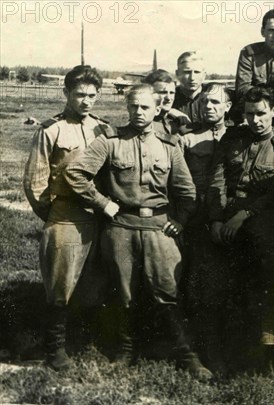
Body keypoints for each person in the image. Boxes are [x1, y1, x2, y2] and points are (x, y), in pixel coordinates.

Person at [63, 84, 212, 381]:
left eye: (145, 107)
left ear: (158, 109)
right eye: (133, 106)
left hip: (160, 230)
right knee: (123, 291)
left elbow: (187, 192)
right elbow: (75, 174)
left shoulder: (170, 146)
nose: (138, 112)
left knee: (167, 292)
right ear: (127, 108)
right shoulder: (110, 141)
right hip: (121, 228)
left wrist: (180, 221)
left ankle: (187, 355)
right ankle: (125, 351)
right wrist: (102, 203)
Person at [22, 65, 111, 371]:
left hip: (97, 216)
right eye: (80, 94)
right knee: (60, 284)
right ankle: (54, 349)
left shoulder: (104, 129)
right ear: (67, 93)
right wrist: (52, 215)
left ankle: (82, 341)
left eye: (92, 95)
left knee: (92, 282)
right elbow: (35, 181)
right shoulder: (51, 130)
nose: (86, 101)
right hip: (64, 215)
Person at [207, 86, 274, 373]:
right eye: (249, 114)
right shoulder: (231, 140)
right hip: (226, 214)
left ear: (273, 113)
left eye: (261, 114)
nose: (255, 120)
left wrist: (243, 215)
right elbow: (217, 182)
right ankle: (225, 348)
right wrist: (217, 219)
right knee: (220, 279)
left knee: (267, 276)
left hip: (260, 219)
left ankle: (267, 352)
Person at [178, 82, 232, 375]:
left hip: (229, 216)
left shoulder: (239, 135)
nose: (209, 107)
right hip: (198, 217)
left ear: (228, 107)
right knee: (201, 283)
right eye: (206, 102)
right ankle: (205, 350)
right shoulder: (188, 139)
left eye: (216, 102)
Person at [235, 8, 274, 100]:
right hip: (258, 106)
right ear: (263, 32)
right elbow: (242, 88)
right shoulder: (249, 53)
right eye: (271, 30)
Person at [142, 69, 190, 135]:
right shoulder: (142, 122)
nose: (169, 98)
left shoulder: (179, 119)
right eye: (163, 92)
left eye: (172, 93)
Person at [173, 51, 206, 124]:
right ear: (177, 74)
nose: (192, 78)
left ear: (204, 75)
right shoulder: (169, 98)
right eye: (187, 72)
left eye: (197, 72)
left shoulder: (215, 96)